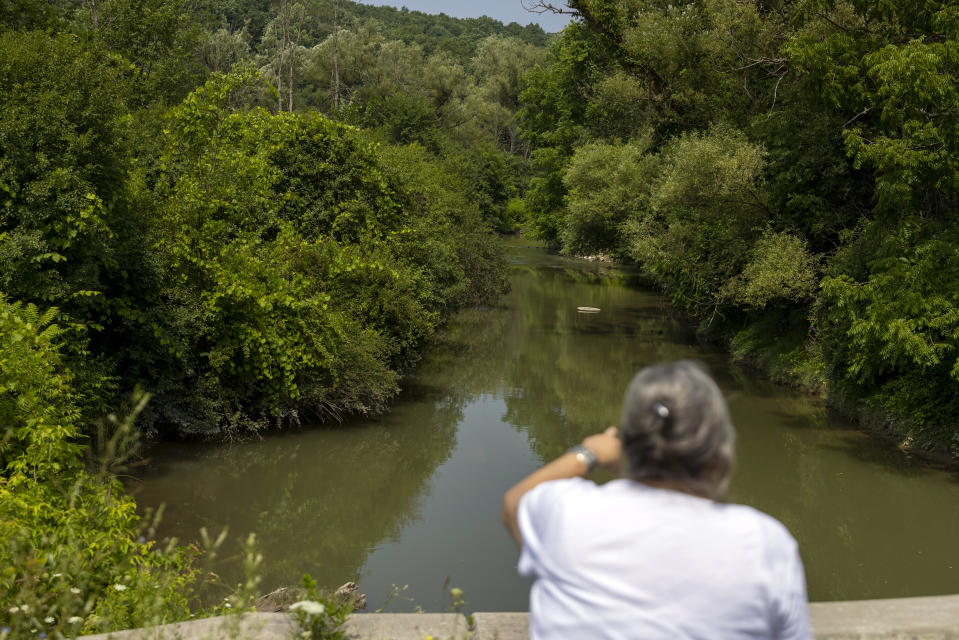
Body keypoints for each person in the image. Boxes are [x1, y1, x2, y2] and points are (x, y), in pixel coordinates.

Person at [501, 360, 812, 640]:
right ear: (716, 454)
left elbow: (515, 502)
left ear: (629, 444)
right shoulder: (764, 544)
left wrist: (590, 452)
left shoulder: (567, 515)